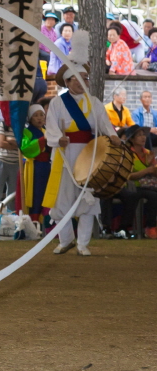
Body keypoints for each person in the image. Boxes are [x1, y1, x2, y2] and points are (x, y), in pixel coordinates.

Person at [43, 63, 119, 256]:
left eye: (85, 78)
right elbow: (51, 127)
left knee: (88, 198)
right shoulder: (57, 103)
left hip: (89, 154)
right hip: (64, 154)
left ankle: (83, 243)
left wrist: (113, 135)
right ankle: (66, 240)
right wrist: (57, 138)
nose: (83, 82)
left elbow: (104, 123)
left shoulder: (94, 102)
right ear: (68, 82)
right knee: (62, 199)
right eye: (78, 78)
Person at [121, 125, 157, 238]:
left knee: (153, 194)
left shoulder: (148, 153)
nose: (143, 137)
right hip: (133, 186)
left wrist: (151, 164)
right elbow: (128, 176)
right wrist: (148, 169)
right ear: (131, 139)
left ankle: (151, 227)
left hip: (149, 185)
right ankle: (150, 227)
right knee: (153, 196)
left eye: (144, 135)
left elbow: (154, 173)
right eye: (139, 135)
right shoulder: (127, 154)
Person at [20, 104, 52, 222]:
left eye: (41, 115)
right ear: (30, 118)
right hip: (34, 167)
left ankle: (45, 221)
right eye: (35, 116)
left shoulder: (46, 131)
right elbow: (26, 148)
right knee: (35, 194)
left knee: (46, 193)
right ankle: (33, 220)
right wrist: (43, 140)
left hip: (47, 166)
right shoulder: (27, 132)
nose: (39, 118)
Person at [0, 117, 20, 214]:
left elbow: (24, 144)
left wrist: (9, 140)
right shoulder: (1, 123)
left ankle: (12, 222)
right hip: (0, 161)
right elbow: (1, 143)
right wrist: (17, 145)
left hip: (16, 163)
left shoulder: (23, 125)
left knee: (13, 196)